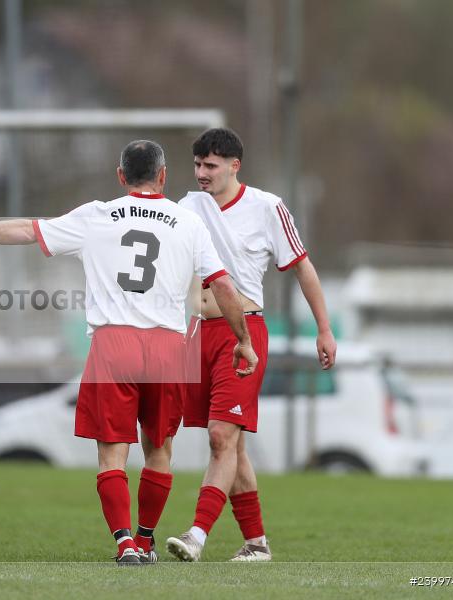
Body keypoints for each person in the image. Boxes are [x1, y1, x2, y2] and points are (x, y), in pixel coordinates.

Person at [0, 140, 258, 565]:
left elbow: (27, 230)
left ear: (120, 176)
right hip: (170, 347)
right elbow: (223, 286)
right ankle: (147, 540)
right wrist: (242, 339)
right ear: (163, 176)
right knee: (158, 449)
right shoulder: (188, 223)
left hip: (114, 343)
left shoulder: (96, 215)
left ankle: (124, 546)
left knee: (111, 453)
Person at [166, 128, 337, 563]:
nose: (202, 174)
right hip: (198, 335)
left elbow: (303, 269)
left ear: (234, 165)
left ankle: (197, 535)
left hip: (244, 336)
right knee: (232, 444)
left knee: (222, 436)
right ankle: (257, 543)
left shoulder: (267, 207)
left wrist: (324, 329)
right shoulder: (188, 207)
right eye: (198, 165)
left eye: (211, 166)